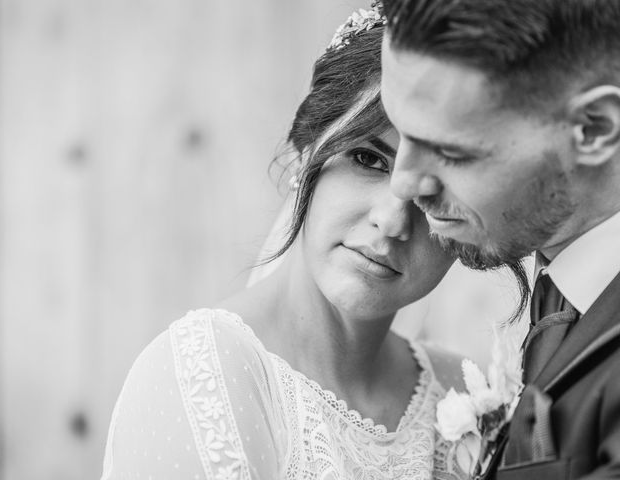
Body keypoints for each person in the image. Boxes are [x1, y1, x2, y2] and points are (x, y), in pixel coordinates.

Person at [100, 5, 477, 479]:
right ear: (308, 152)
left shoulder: (463, 395)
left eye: (433, 189)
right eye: (368, 159)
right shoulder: (205, 374)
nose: (392, 221)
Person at [380, 0, 620, 478]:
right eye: (399, 132)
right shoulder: (562, 292)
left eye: (451, 151)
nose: (403, 185)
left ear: (594, 129)